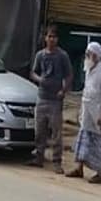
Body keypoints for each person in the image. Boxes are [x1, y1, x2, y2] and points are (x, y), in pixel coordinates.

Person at [28, 27, 73, 173]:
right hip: (42, 97)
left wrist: (63, 90)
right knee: (39, 130)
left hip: (55, 99)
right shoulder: (40, 55)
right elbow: (33, 72)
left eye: (54, 37)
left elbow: (69, 75)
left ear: (57, 39)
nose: (51, 39)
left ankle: (57, 161)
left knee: (56, 133)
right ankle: (38, 157)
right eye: (49, 36)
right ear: (45, 38)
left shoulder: (62, 56)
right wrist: (40, 79)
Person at [69, 41, 101, 183]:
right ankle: (79, 168)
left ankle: (100, 173)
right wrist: (80, 110)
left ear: (95, 55)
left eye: (89, 54)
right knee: (83, 138)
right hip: (86, 110)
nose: (87, 56)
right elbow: (86, 91)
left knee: (97, 141)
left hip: (97, 112)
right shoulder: (88, 68)